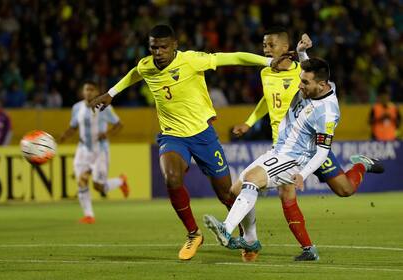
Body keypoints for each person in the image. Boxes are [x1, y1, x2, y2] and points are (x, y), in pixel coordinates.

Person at [89, 24, 287, 260]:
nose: (158, 52)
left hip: (203, 135)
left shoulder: (192, 60)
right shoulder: (147, 65)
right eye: (154, 47)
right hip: (173, 135)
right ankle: (193, 234)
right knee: (171, 178)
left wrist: (267, 62)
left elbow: (232, 57)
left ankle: (247, 235)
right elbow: (136, 72)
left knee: (226, 193)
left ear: (175, 46)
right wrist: (111, 93)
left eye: (163, 47)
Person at [204, 58, 385, 261]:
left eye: (305, 83)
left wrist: (302, 174)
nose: (300, 86)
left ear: (321, 85)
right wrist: (302, 52)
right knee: (236, 190)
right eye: (301, 80)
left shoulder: (327, 113)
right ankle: (251, 239)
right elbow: (311, 70)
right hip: (280, 150)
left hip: (298, 156)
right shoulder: (319, 85)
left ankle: (226, 229)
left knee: (254, 179)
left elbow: (322, 152)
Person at [59, 81, 130, 224]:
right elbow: (73, 127)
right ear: (82, 92)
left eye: (92, 89)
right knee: (82, 180)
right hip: (83, 149)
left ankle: (121, 181)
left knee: (99, 186)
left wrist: (107, 134)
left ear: (97, 92)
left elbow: (119, 125)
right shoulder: (77, 108)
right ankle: (89, 215)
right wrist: (64, 136)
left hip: (100, 150)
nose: (89, 92)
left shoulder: (104, 107)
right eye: (86, 89)